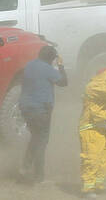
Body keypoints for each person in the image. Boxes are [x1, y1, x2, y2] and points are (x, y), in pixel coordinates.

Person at [18, 45, 67, 184]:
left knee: (35, 137)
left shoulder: (29, 65)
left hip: (25, 107)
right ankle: (38, 176)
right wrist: (61, 65)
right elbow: (64, 82)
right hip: (40, 110)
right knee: (41, 141)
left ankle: (25, 168)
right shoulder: (48, 69)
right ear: (51, 58)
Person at [79, 69, 106, 197]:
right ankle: (87, 189)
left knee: (103, 158)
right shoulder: (93, 86)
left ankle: (97, 185)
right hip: (89, 128)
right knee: (91, 158)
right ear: (105, 76)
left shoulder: (102, 87)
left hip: (99, 128)